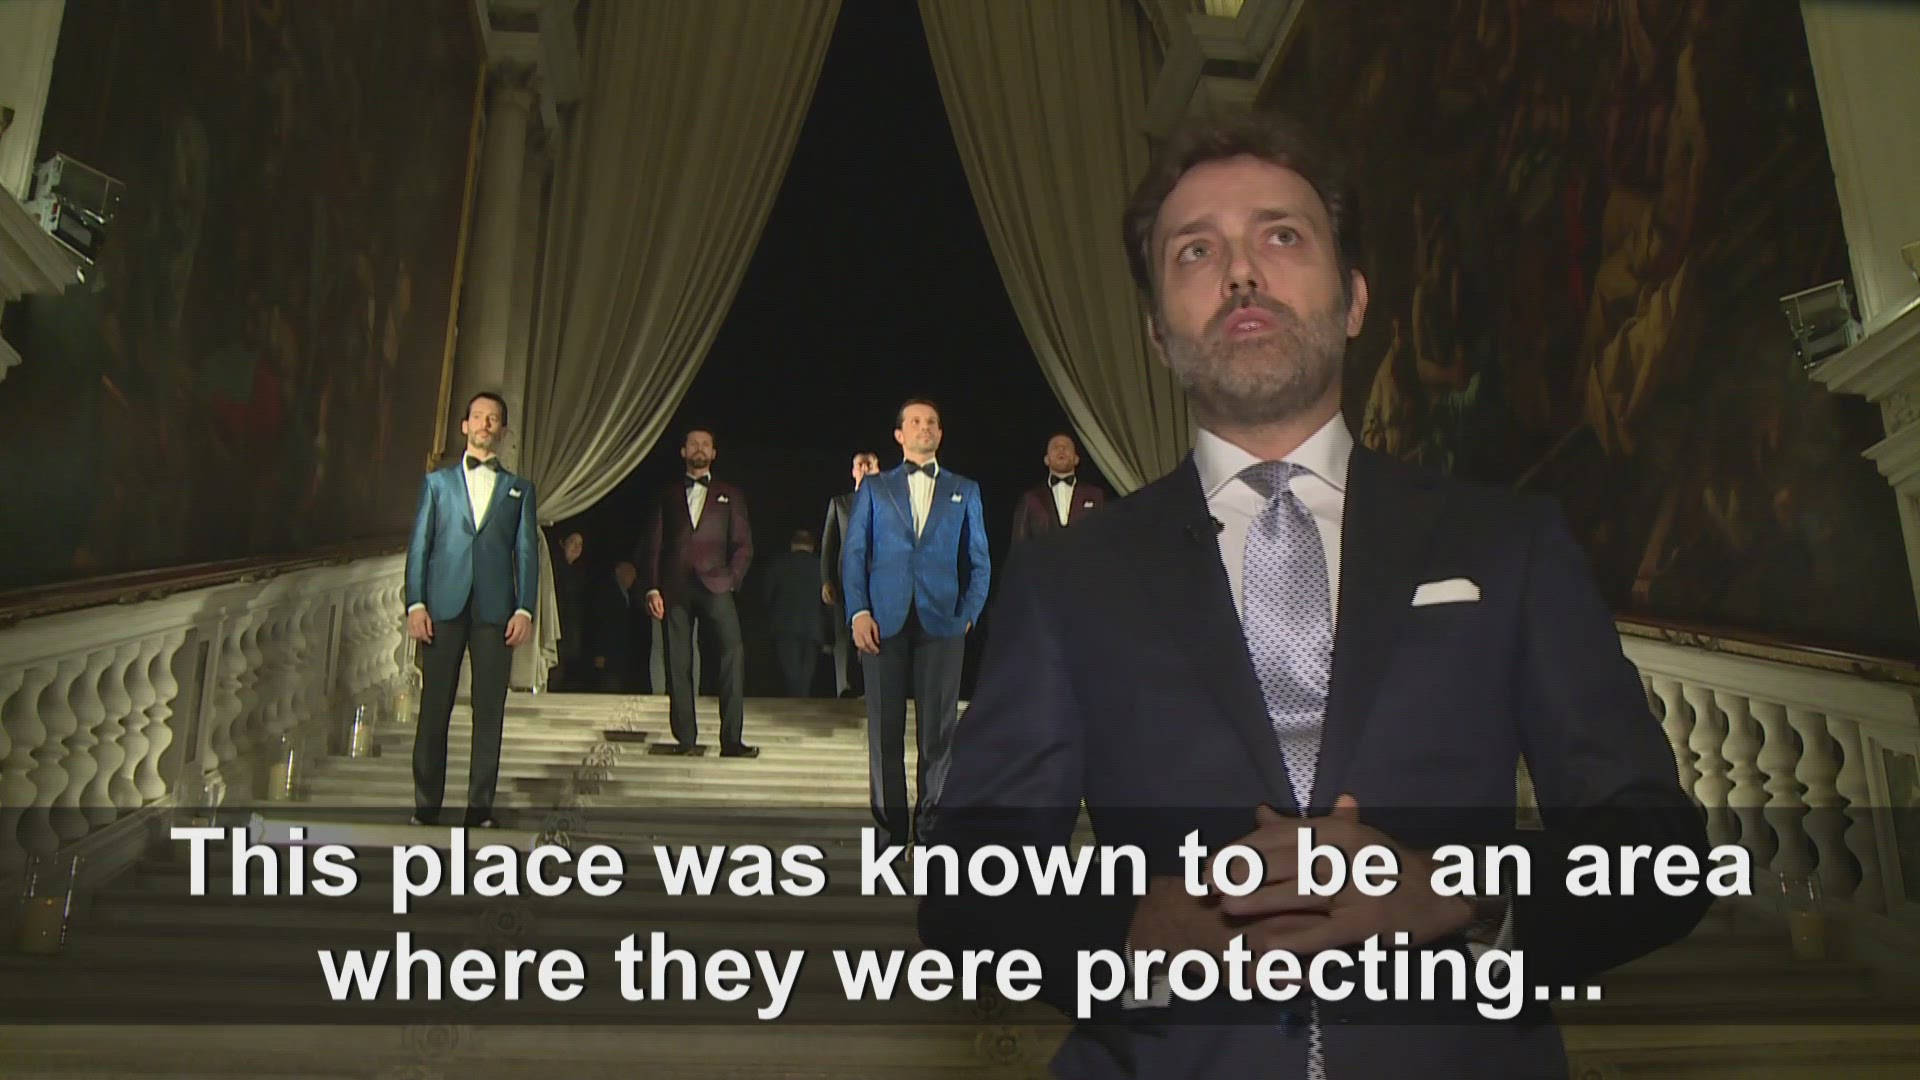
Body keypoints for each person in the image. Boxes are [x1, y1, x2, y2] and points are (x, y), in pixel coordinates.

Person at [917, 110, 1709, 1078]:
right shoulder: (1067, 577)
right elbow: (965, 880)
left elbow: (1658, 849)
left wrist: (1458, 895)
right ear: (1157, 332)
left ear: (1355, 299)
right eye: (1196, 251)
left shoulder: (1510, 544)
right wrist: (1135, 927)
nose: (1241, 273)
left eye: (1282, 236)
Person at [841, 399, 990, 849]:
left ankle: (931, 834)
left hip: (943, 623)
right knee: (884, 732)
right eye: (915, 421)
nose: (924, 427)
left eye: (932, 422)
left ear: (940, 434)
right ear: (899, 435)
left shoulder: (965, 489)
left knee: (939, 734)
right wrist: (858, 612)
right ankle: (889, 836)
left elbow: (979, 561)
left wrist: (968, 614)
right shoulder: (874, 488)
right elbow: (854, 555)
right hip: (882, 622)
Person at [403, 391, 539, 828]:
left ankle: (480, 807)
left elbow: (526, 554)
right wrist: (416, 603)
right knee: (434, 707)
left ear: (503, 430)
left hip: (496, 611)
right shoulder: (436, 484)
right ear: (464, 425)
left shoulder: (520, 489)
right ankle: (426, 804)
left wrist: (525, 609)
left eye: (493, 418)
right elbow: (419, 547)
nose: (485, 424)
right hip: (442, 606)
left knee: (489, 710)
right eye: (478, 417)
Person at [640, 428, 756, 757]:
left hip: (717, 584)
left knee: (731, 654)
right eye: (693, 444)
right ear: (683, 451)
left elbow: (743, 544)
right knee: (678, 661)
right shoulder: (667, 495)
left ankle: (731, 740)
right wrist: (652, 587)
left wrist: (732, 578)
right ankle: (686, 739)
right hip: (675, 586)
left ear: (714, 453)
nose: (699, 449)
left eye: (705, 444)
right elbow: (653, 545)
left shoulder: (730, 494)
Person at [820, 451, 880, 697]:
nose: (865, 468)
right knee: (844, 636)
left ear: (877, 469)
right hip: (845, 581)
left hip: (880, 580)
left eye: (869, 465)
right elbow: (829, 545)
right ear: (853, 471)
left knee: (877, 633)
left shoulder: (889, 503)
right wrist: (826, 580)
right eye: (860, 465)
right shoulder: (840, 503)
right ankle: (844, 689)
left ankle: (873, 688)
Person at [761, 528, 828, 697]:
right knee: (806, 677)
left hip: (785, 627)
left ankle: (795, 705)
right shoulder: (821, 567)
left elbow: (766, 596)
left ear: (792, 545)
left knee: (791, 675)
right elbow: (828, 601)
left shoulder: (779, 564)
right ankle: (803, 704)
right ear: (812, 547)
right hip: (813, 628)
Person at [1009, 432, 1108, 543]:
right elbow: (1019, 542)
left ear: (1076, 459)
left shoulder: (1096, 495)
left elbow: (1104, 535)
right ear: (1046, 459)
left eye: (1066, 447)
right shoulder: (1030, 498)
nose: (1061, 449)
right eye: (1055, 447)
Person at [589, 561, 646, 693]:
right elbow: (602, 622)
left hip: (621, 656)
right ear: (618, 571)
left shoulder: (628, 594)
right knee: (609, 687)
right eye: (629, 573)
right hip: (609, 655)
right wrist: (600, 652)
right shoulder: (608, 591)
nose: (633, 578)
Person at [551, 531, 589, 690]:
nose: (577, 547)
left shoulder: (578, 572)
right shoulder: (553, 569)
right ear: (562, 543)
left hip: (568, 636)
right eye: (573, 541)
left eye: (580, 544)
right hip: (555, 632)